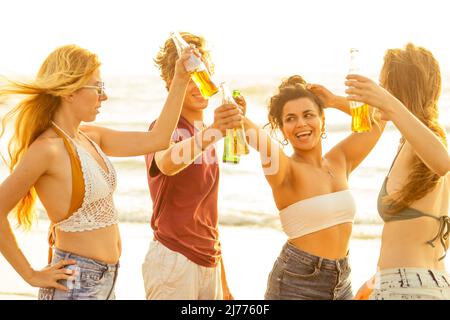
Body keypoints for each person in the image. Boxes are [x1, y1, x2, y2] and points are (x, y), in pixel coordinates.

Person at [0, 43, 195, 299]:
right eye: (98, 87)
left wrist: (181, 79)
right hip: (76, 285)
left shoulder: (91, 137)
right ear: (69, 91)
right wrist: (30, 274)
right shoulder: (47, 149)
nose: (104, 97)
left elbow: (159, 139)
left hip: (107, 280)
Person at [239, 75, 385, 300]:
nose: (301, 124)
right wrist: (240, 117)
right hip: (296, 282)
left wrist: (335, 100)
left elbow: (378, 118)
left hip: (341, 281)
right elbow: (260, 140)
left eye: (308, 115)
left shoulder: (340, 160)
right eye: (290, 118)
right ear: (282, 127)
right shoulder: (284, 169)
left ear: (322, 120)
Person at [141, 32, 242, 300]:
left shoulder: (204, 134)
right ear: (171, 82)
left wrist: (224, 282)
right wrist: (214, 131)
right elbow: (166, 163)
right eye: (191, 77)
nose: (199, 84)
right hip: (175, 260)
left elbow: (208, 217)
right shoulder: (163, 130)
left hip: (209, 261)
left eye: (203, 74)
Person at [349, 43, 450, 300]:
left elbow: (443, 162)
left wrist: (389, 104)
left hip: (408, 288)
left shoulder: (430, 139)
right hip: (418, 283)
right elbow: (415, 234)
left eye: (386, 85)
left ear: (401, 90)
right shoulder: (415, 140)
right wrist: (376, 281)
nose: (380, 92)